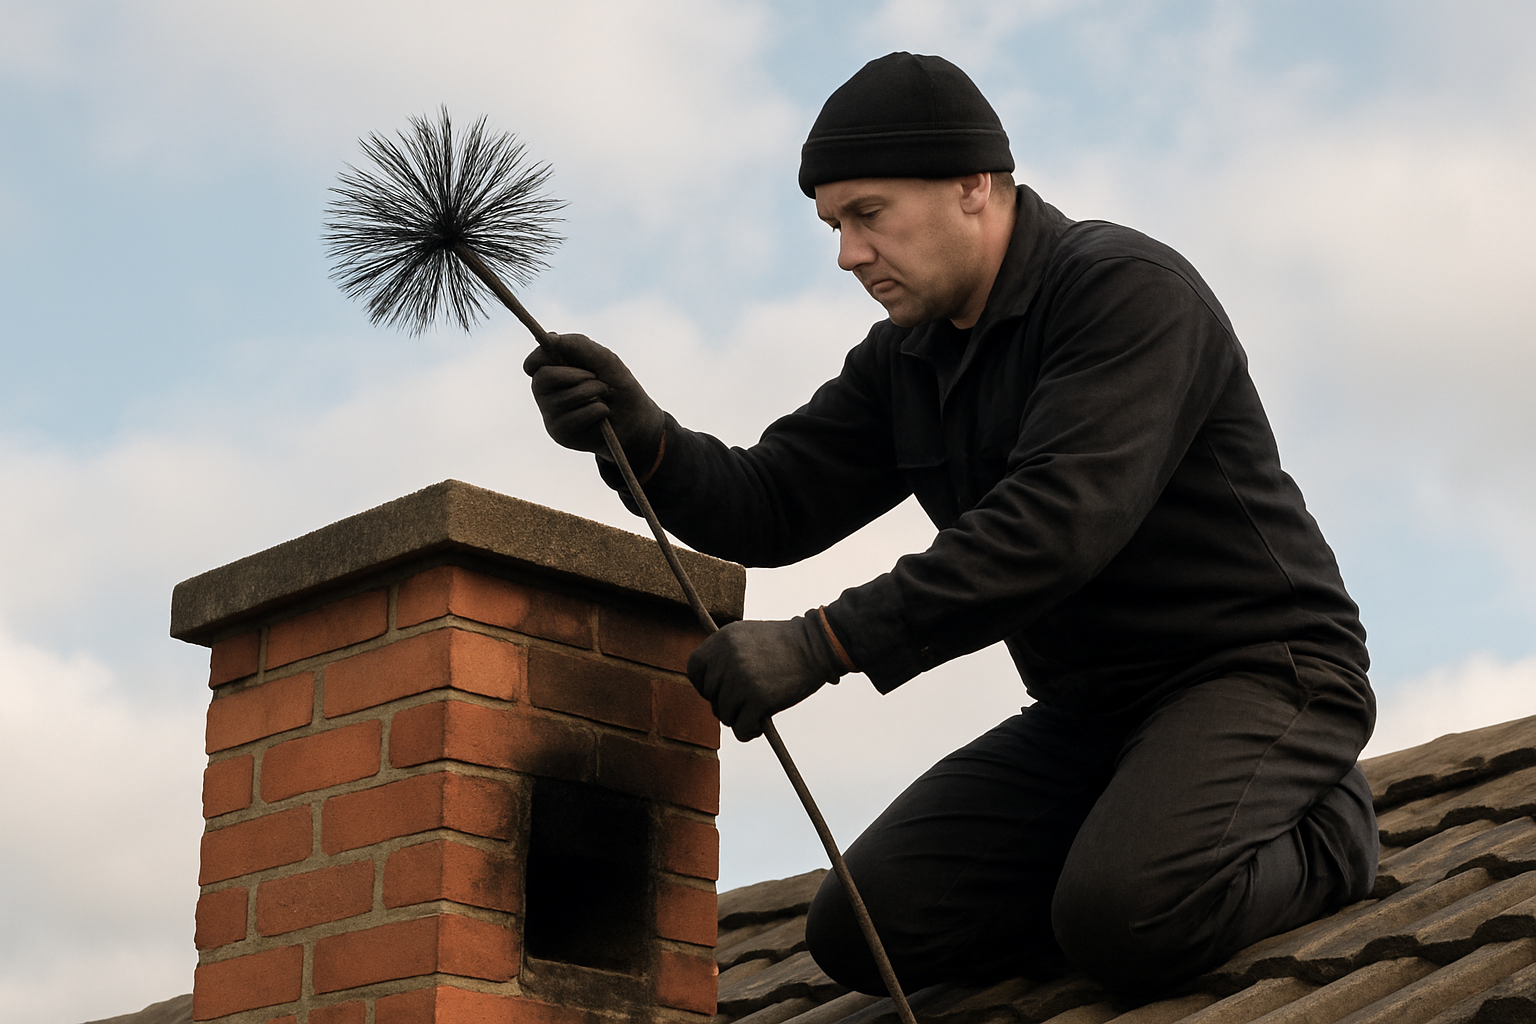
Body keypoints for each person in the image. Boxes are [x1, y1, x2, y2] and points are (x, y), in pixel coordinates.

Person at [524, 52, 1378, 999]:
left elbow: (1052, 527)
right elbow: (770, 502)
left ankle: (1325, 827)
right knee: (866, 933)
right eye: (833, 225)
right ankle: (1130, 849)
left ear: (973, 186)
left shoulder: (1127, 293)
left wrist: (824, 643)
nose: (848, 253)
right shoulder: (907, 359)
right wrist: (643, 443)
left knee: (1126, 920)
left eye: (867, 215)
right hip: (1091, 716)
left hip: (1260, 675)